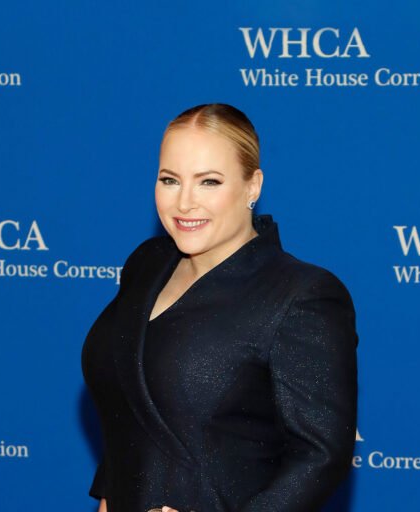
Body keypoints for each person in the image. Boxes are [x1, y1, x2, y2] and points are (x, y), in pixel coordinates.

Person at [81, 103, 359, 512]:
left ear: (253, 186)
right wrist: (110, 494)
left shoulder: (301, 295)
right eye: (169, 180)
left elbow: (320, 456)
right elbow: (131, 406)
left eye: (209, 181)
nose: (185, 203)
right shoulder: (147, 263)